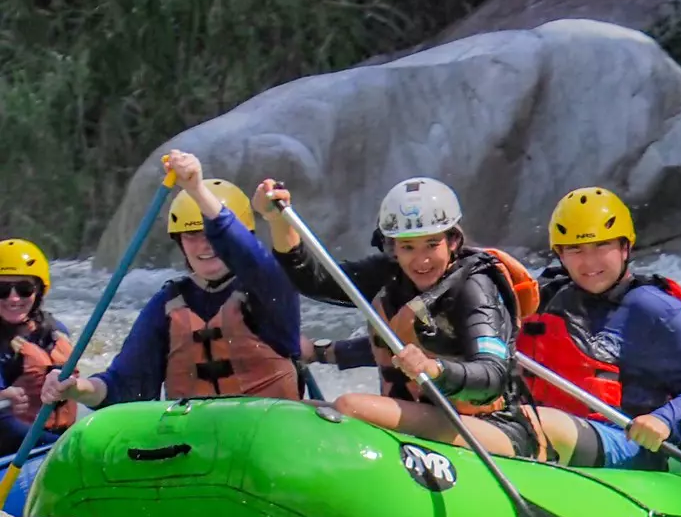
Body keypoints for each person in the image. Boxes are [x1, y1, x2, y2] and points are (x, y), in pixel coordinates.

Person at [261, 175, 541, 457]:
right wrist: (278, 222)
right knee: (292, 412)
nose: (421, 260)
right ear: (392, 247)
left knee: (350, 407)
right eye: (408, 247)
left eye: (432, 244)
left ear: (453, 241)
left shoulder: (476, 287)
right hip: (425, 421)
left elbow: (492, 377)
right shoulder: (390, 275)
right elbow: (314, 280)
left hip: (490, 429)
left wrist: (435, 370)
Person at [43, 152, 302, 416]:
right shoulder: (168, 303)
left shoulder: (268, 289)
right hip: (193, 432)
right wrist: (77, 389)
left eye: (211, 234)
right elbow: (125, 386)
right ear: (179, 242)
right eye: (191, 234)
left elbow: (257, 260)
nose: (204, 245)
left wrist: (196, 189)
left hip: (267, 424)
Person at [517, 186, 681, 467]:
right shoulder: (543, 300)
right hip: (556, 437)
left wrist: (665, 419)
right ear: (560, 254)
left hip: (627, 441)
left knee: (538, 423)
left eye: (602, 246)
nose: (589, 262)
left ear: (625, 248)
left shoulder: (654, 308)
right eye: (575, 249)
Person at [0, 240, 74, 457]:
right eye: (2, 290)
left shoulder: (55, 332)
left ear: (39, 292)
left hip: (50, 443)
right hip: (14, 447)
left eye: (24, 289)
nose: (14, 298)